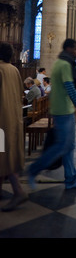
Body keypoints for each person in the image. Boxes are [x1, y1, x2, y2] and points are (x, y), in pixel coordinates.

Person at [27, 39, 76, 190]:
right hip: (63, 111)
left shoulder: (60, 63)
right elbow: (71, 90)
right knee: (61, 146)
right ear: (68, 49)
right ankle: (33, 169)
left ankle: (71, 179)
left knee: (69, 146)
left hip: (63, 110)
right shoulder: (64, 65)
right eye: (75, 49)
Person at [0, 43, 29, 211]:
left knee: (4, 155)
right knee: (4, 155)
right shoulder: (14, 70)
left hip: (2, 121)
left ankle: (18, 191)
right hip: (13, 119)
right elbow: (20, 94)